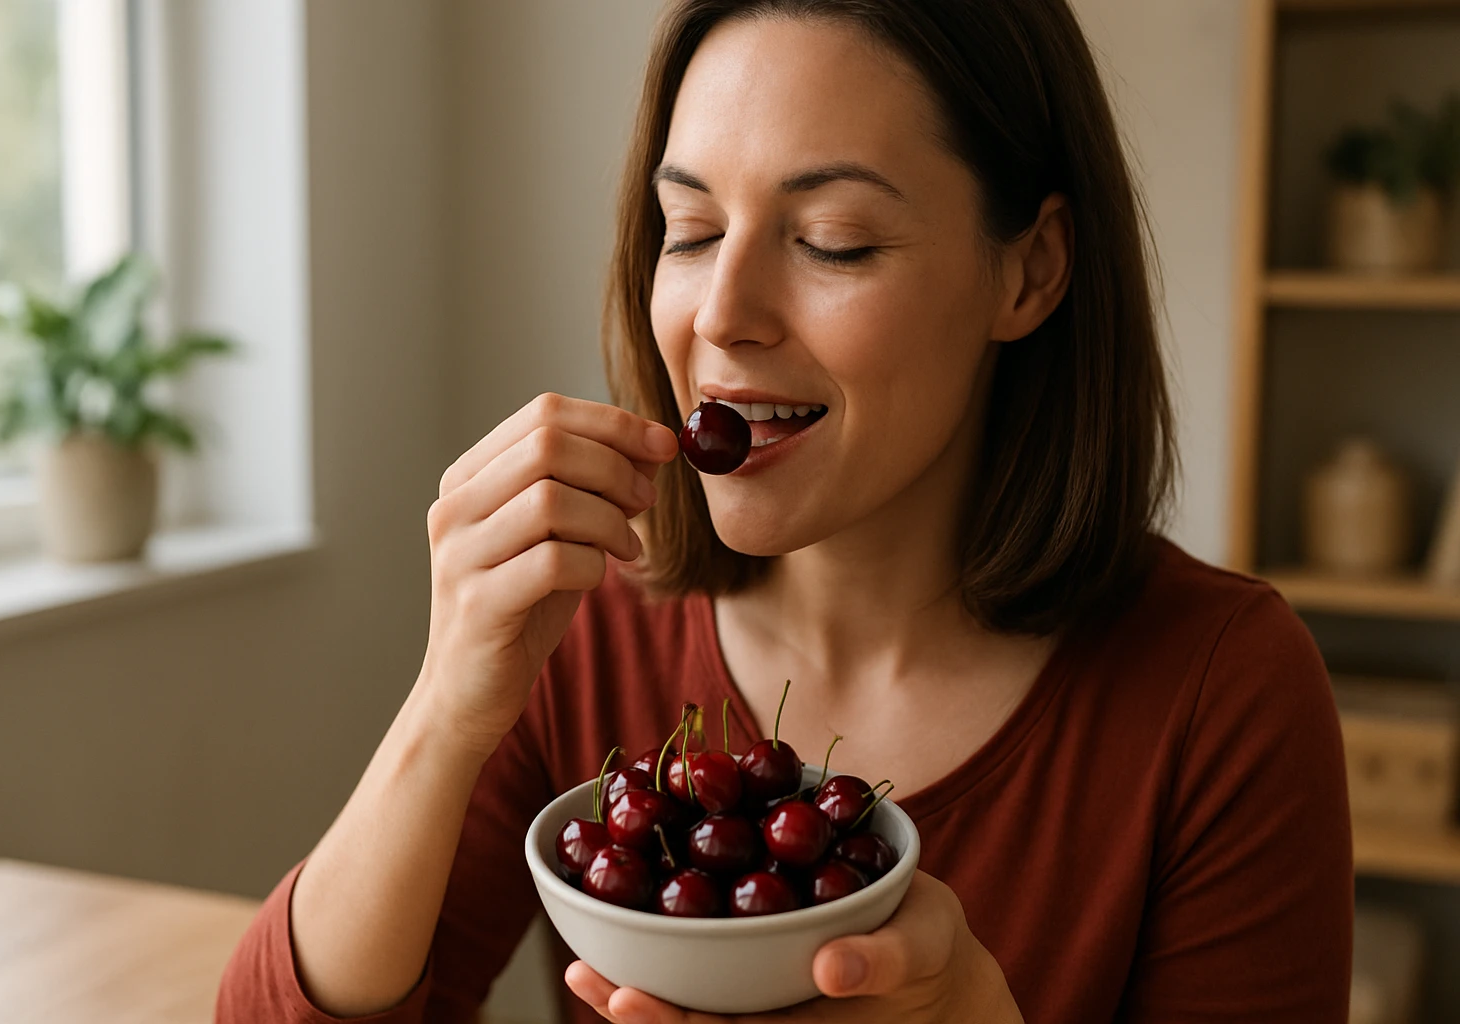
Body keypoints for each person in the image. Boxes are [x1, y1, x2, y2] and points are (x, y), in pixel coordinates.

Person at [216, 1, 1353, 1021]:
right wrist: (443, 709)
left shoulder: (1224, 691)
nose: (723, 313)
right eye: (693, 231)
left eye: (832, 242)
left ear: (1030, 272)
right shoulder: (585, 621)